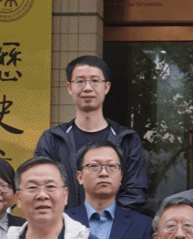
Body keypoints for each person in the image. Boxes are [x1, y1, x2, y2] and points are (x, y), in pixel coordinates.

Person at [33, 56, 148, 213]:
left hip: (114, 227)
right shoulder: (52, 139)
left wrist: (102, 220)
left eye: (95, 81)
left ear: (106, 87)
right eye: (80, 81)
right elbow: (42, 187)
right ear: (69, 88)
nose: (87, 88)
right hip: (63, 225)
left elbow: (135, 193)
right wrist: (71, 222)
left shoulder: (127, 139)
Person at [67, 141, 162, 239]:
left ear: (121, 176)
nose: (104, 173)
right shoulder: (63, 222)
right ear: (79, 177)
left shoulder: (143, 227)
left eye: (111, 167)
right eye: (94, 166)